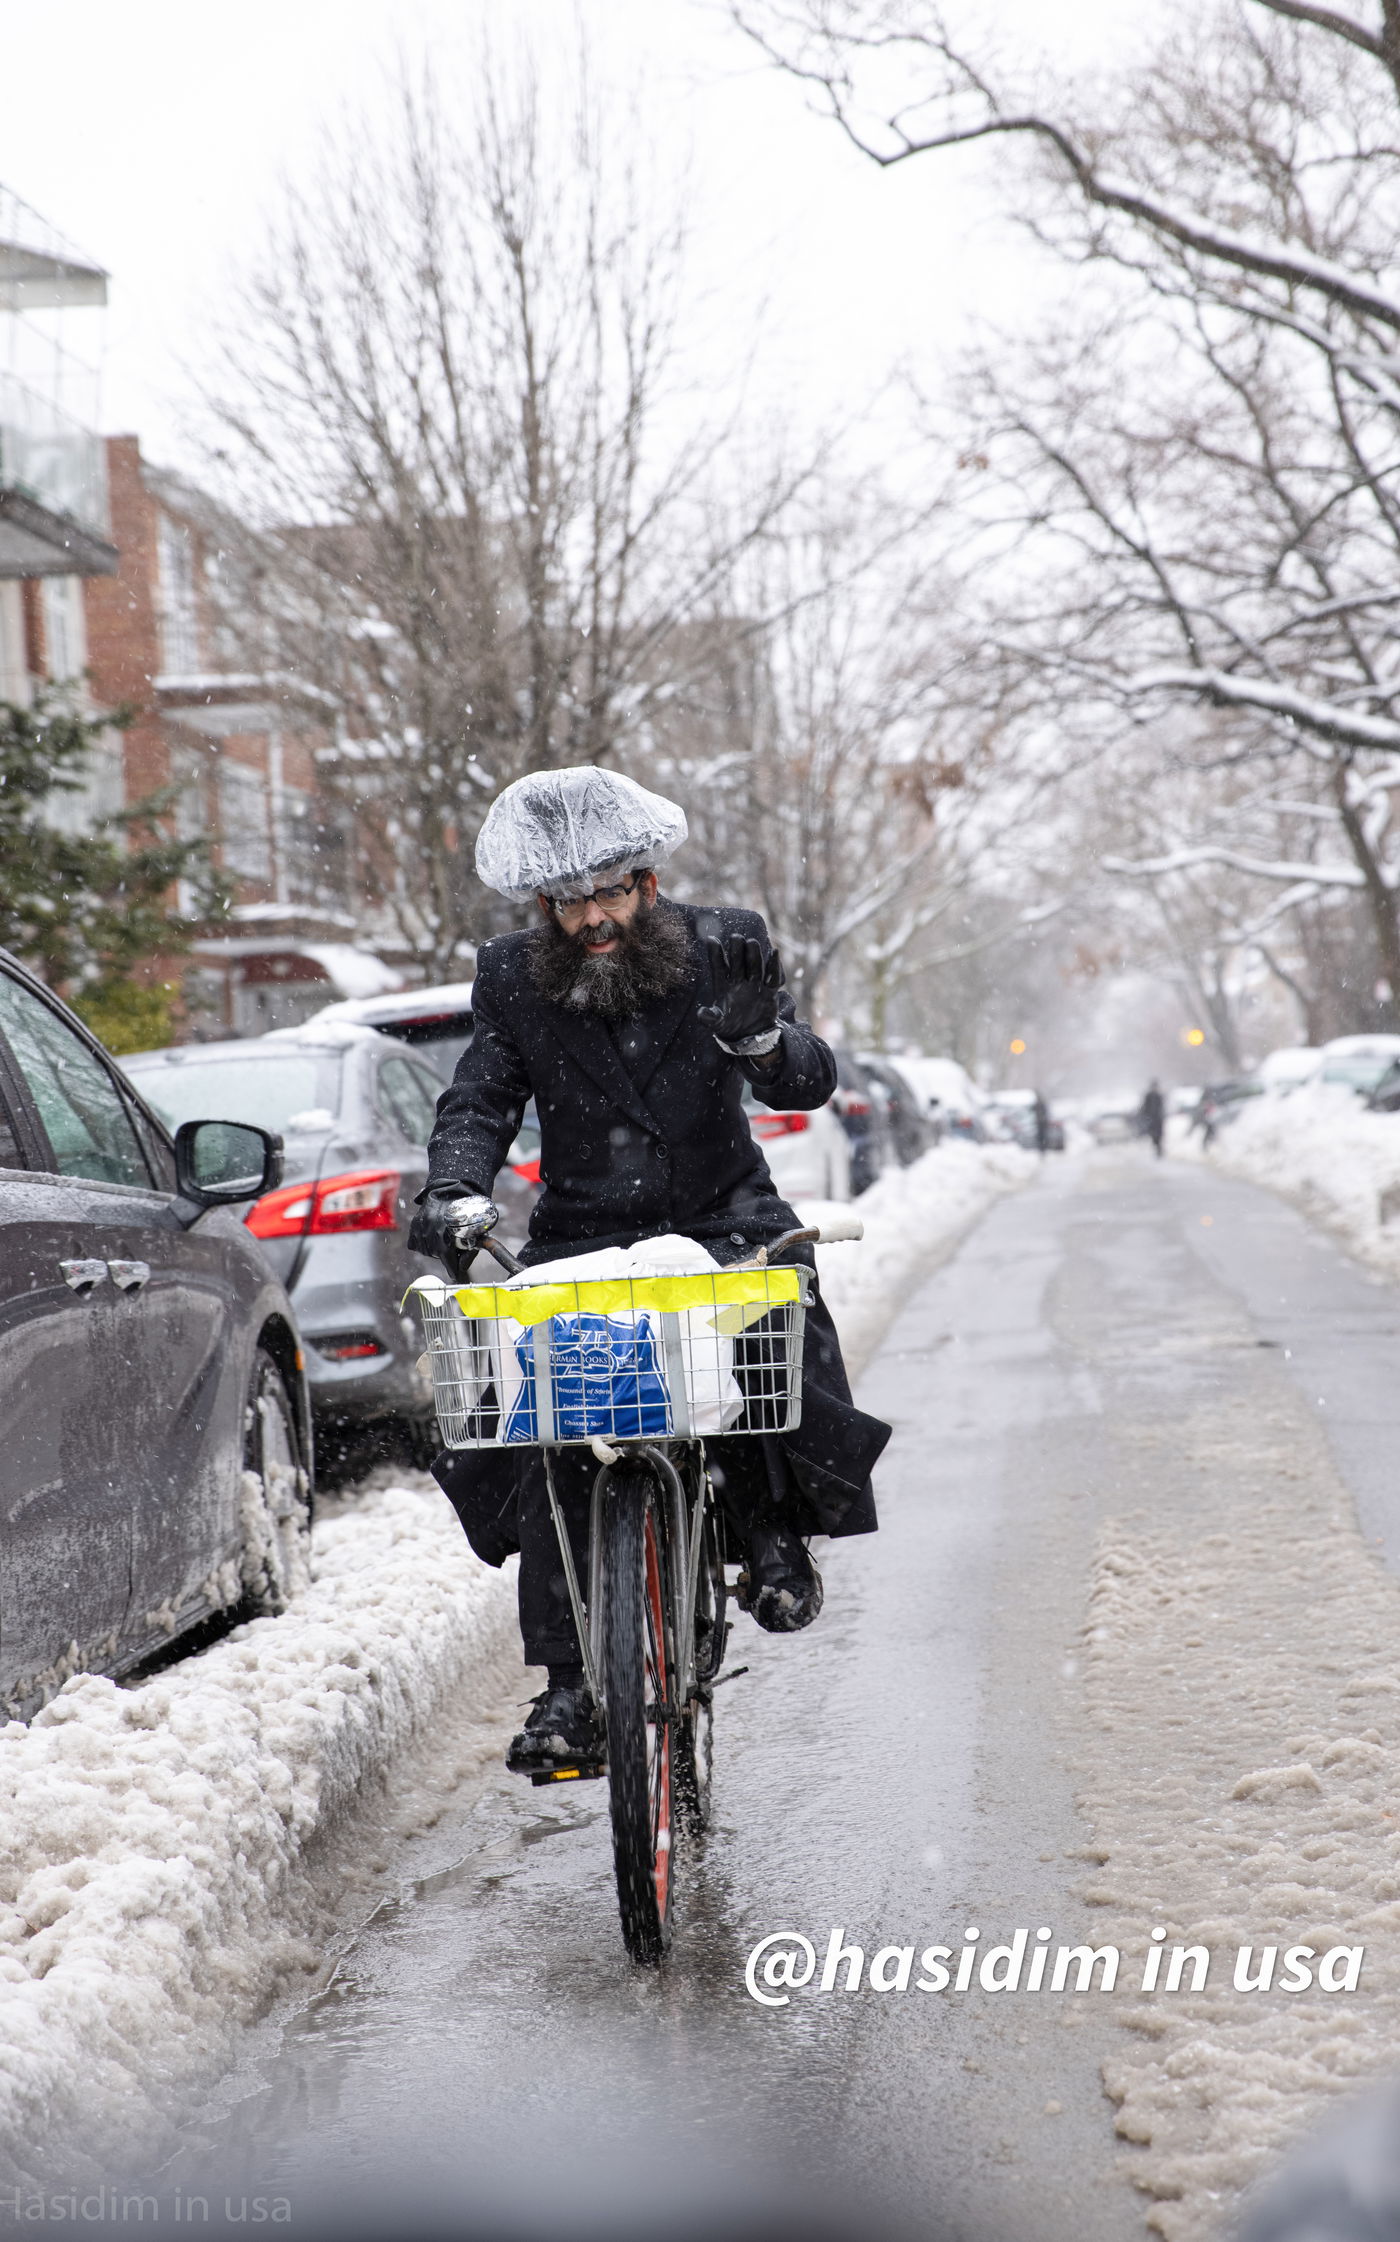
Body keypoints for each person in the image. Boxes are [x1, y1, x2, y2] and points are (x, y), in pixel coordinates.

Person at [409, 767, 891, 1776]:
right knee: (543, 1422)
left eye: (610, 891)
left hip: (720, 1209)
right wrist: (454, 1184)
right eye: (569, 900)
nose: (591, 917)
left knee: (771, 1324)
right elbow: (481, 1097)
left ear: (648, 880)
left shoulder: (725, 944)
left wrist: (761, 1036)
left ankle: (768, 1534)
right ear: (541, 904)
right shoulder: (510, 974)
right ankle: (569, 1686)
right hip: (583, 1228)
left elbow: (805, 1077)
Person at [1138, 1079, 1166, 1156]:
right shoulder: (1148, 1096)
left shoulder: (1159, 1096)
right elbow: (1145, 1107)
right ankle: (1157, 1148)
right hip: (1151, 1119)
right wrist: (1145, 1116)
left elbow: (1162, 1107)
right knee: (1154, 1135)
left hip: (1158, 1119)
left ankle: (1159, 1149)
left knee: (1159, 1135)